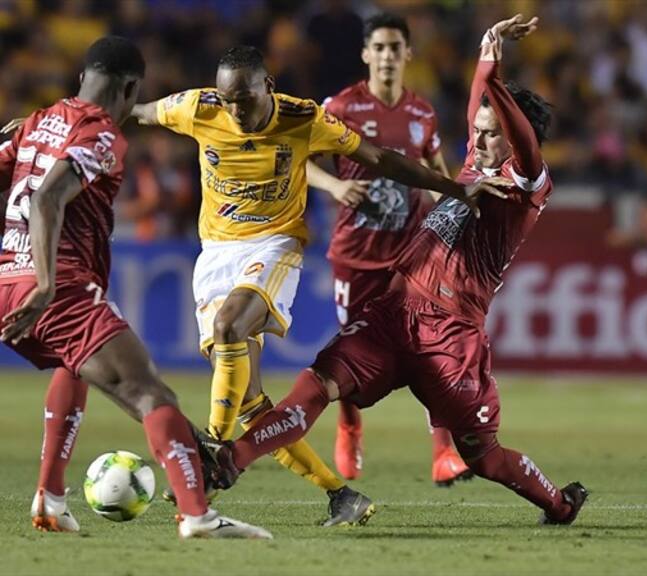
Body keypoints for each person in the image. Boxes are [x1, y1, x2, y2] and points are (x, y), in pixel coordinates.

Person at [211, 15, 590, 525]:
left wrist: (495, 78)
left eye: (489, 135)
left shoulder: (526, 184)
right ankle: (229, 461)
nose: (477, 144)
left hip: (450, 336)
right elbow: (483, 100)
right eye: (475, 134)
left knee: (484, 456)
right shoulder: (474, 170)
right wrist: (487, 51)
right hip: (393, 311)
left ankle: (560, 505)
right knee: (317, 384)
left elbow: (516, 133)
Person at [129, 45, 502, 525]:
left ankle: (209, 455)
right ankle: (340, 495)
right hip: (215, 254)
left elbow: (380, 158)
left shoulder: (303, 119)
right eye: (227, 100)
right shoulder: (198, 108)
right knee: (251, 404)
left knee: (229, 327)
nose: (235, 111)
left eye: (243, 99)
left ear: (268, 86)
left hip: (274, 245)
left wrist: (452, 187)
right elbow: (134, 110)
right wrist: (60, 121)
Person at [0, 36, 270, 539]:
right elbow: (46, 201)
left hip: (7, 280)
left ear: (82, 78)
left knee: (73, 366)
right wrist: (45, 283)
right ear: (130, 89)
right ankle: (197, 515)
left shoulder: (38, 122)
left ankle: (50, 498)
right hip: (54, 287)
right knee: (151, 393)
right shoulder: (100, 132)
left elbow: (17, 180)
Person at [307, 12, 470, 486]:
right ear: (365, 54)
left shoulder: (422, 114)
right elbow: (301, 163)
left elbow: (438, 173)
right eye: (378, 48)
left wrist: (454, 219)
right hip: (355, 255)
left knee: (431, 352)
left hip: (412, 257)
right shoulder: (340, 107)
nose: (386, 56)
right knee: (353, 355)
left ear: (407, 54)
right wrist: (336, 188)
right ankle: (349, 424)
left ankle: (443, 455)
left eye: (395, 48)